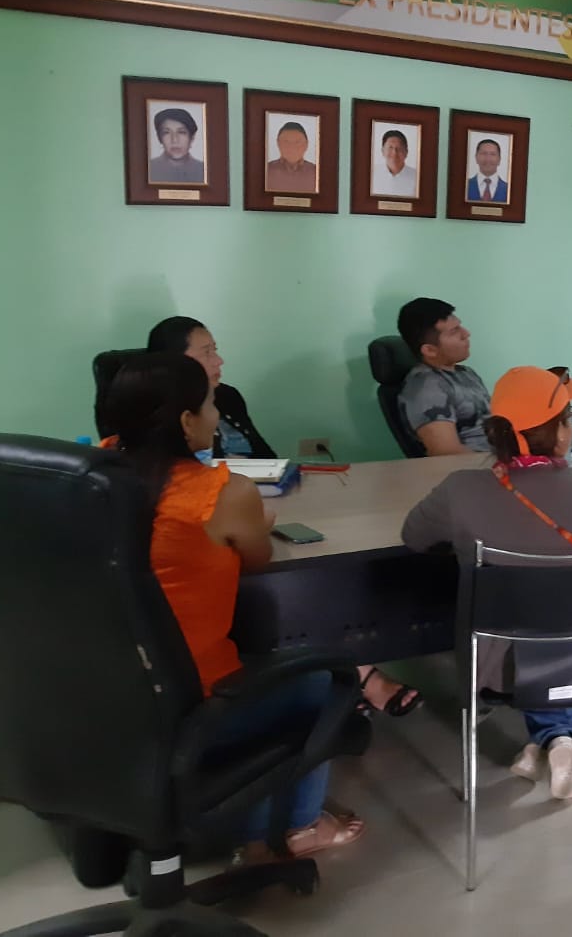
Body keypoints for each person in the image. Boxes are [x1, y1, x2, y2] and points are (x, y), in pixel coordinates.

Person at [102, 353, 363, 862]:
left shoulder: (94, 471)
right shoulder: (222, 492)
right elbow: (257, 558)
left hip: (107, 691)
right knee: (322, 679)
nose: (217, 416)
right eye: (209, 405)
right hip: (188, 701)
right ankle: (298, 826)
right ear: (186, 421)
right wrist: (256, 523)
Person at [140, 315, 421, 716]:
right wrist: (250, 514)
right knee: (302, 579)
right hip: (205, 661)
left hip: (251, 511)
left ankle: (352, 670)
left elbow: (265, 457)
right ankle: (351, 676)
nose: (219, 361)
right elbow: (256, 553)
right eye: (207, 352)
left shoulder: (223, 401)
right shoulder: (182, 479)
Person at [402, 366, 572, 801]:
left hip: (497, 661)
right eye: (568, 417)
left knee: (530, 626)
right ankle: (556, 737)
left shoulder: (459, 489)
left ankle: (549, 738)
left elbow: (413, 537)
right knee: (557, 619)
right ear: (560, 432)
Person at [143, 316, 274, 459]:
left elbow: (268, 457)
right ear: (174, 361)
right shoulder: (155, 411)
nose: (219, 361)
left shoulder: (226, 395)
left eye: (214, 350)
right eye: (206, 353)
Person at [397, 297, 491, 455]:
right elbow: (446, 452)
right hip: (480, 465)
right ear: (429, 350)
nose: (466, 334)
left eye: (460, 326)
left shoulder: (466, 373)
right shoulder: (427, 388)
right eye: (454, 331)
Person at [147, 107, 205, 185]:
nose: (174, 140)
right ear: (159, 138)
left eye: (181, 132)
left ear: (192, 138)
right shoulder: (148, 169)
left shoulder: (204, 170)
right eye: (166, 132)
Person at [264, 121, 319, 195]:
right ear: (278, 143)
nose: (292, 147)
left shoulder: (317, 173)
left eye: (297, 142)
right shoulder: (266, 171)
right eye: (286, 142)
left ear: (306, 144)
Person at [371, 128, 417, 198]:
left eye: (399, 148)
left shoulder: (417, 177)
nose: (394, 153)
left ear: (406, 152)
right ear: (382, 151)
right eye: (390, 148)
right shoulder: (371, 174)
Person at [465, 139, 508, 204]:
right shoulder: (465, 186)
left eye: (493, 154)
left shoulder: (508, 190)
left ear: (499, 159)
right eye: (484, 153)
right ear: (476, 157)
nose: (488, 159)